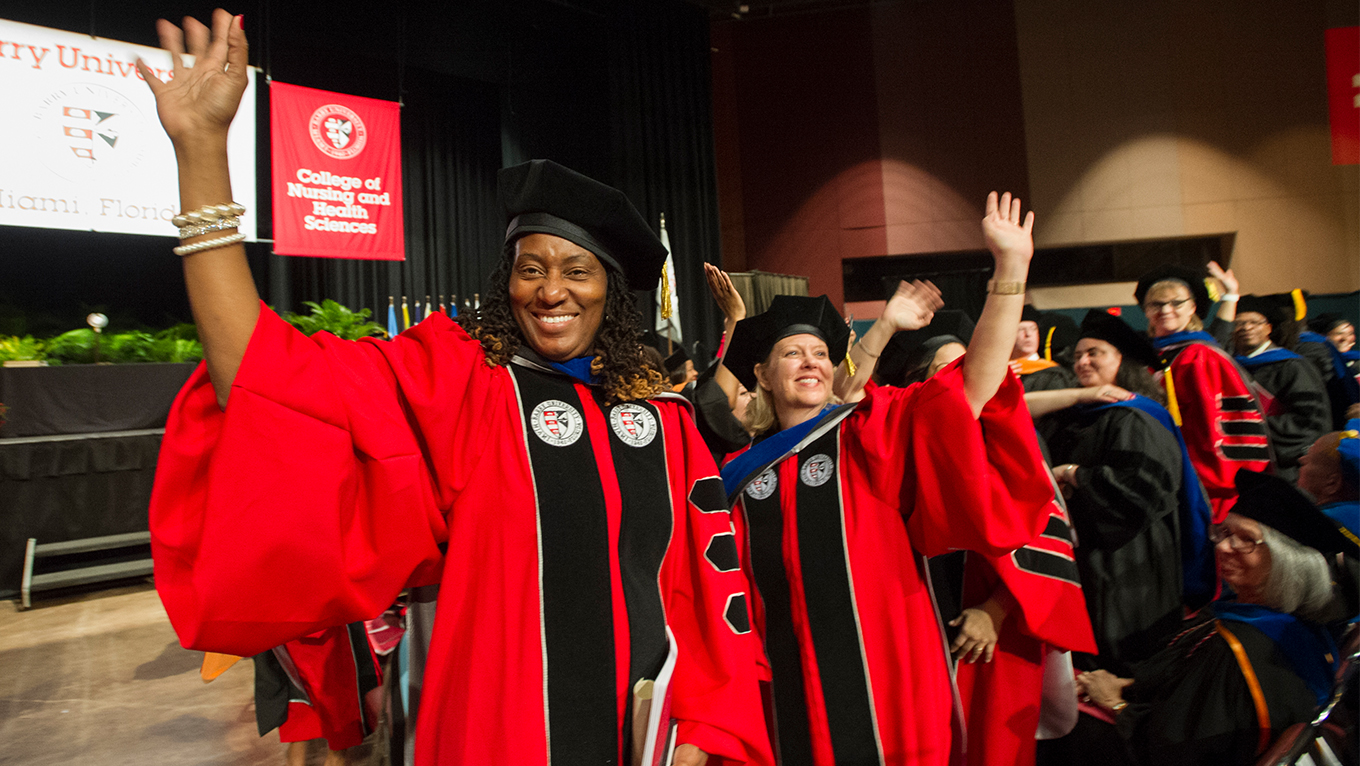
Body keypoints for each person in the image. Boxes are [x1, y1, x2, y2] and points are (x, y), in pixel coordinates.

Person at [138, 12, 773, 766]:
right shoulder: (462, 380)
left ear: (612, 290)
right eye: (529, 268)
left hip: (647, 735)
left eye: (578, 271)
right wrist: (203, 153)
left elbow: (706, 592)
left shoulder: (660, 421)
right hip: (496, 730)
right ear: (506, 283)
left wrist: (701, 726)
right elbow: (268, 384)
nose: (550, 291)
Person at [719, 192, 1056, 766]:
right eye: (792, 353)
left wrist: (1010, 272)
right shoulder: (734, 473)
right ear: (762, 375)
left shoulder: (872, 428)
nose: (810, 362)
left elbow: (973, 385)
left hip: (886, 670)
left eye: (821, 353)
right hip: (779, 679)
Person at [1070, 469, 1355, 766]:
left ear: (1288, 563)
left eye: (1245, 540)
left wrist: (1114, 703)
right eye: (1224, 532)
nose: (1221, 546)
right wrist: (1128, 686)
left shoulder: (1236, 651)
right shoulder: (1296, 626)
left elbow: (1171, 752)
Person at [1025, 311, 1207, 674]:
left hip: (1129, 562)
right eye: (1077, 355)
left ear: (1123, 361)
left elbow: (1140, 490)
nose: (1083, 361)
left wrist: (1075, 475)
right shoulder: (1077, 414)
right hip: (1087, 559)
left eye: (1095, 353)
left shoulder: (1137, 418)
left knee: (1121, 657)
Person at [1135, 264, 1271, 521]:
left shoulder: (1199, 356)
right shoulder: (1154, 355)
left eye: (1176, 302)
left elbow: (1211, 428)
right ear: (1146, 311)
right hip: (1165, 470)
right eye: (1156, 304)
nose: (1165, 310)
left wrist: (1192, 478)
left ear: (1192, 307)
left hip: (1202, 483)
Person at [1231, 294, 1333, 484]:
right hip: (1242, 466)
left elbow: (1310, 422)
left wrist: (1250, 426)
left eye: (1254, 322)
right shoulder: (1230, 367)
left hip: (1286, 469)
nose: (1246, 328)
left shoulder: (1292, 366)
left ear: (1268, 328)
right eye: (1239, 323)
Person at [1011, 306, 1079, 392]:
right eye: (1021, 330)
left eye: (1033, 329)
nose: (1028, 334)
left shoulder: (1054, 374)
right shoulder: (998, 372)